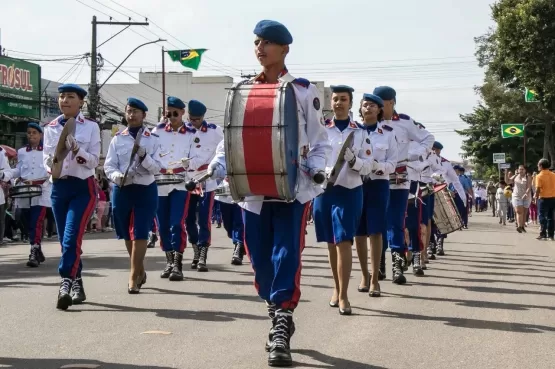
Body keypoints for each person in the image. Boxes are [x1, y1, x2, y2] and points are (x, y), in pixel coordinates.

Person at [207, 20, 331, 367]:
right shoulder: (242, 90)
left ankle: (282, 320)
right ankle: (274, 306)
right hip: (252, 190)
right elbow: (228, 139)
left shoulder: (303, 91)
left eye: (268, 43)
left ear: (285, 49)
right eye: (257, 42)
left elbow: (319, 141)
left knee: (286, 252)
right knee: (259, 257)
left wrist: (317, 169)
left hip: (293, 188)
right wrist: (216, 167)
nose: (260, 48)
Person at [43, 84, 101, 310]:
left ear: (81, 102)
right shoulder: (50, 127)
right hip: (59, 188)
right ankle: (78, 282)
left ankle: (65, 282)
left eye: (70, 97)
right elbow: (46, 160)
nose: (64, 100)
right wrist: (51, 166)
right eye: (62, 97)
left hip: (82, 188)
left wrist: (78, 151)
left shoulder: (91, 127)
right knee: (66, 241)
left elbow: (94, 161)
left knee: (71, 237)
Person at [373, 86, 434, 285]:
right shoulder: (371, 123)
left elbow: (428, 138)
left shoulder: (405, 122)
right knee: (378, 224)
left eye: (382, 102)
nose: (378, 107)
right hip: (377, 179)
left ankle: (397, 266)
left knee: (396, 223)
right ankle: (379, 267)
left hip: (400, 181)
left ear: (391, 102)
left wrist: (416, 155)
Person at [104, 98, 161, 293]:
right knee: (125, 232)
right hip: (123, 189)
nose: (132, 114)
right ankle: (140, 269)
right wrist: (116, 176)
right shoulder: (117, 138)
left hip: (145, 188)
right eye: (129, 111)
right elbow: (108, 166)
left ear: (144, 115)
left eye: (136, 111)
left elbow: (157, 168)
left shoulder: (153, 140)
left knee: (140, 231)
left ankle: (132, 277)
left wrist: (145, 156)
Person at [351, 93, 397, 298]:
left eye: (371, 105)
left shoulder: (387, 134)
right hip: (356, 184)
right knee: (359, 233)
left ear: (379, 110)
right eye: (364, 105)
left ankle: (376, 279)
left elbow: (392, 164)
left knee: (376, 232)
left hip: (378, 185)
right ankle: (364, 275)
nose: (367, 108)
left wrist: (377, 167)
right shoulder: (354, 132)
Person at [151, 96, 193, 281]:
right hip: (160, 184)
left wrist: (187, 165)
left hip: (180, 183)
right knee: (162, 225)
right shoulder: (157, 131)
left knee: (177, 222)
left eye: (175, 112)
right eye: (169, 112)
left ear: (183, 113)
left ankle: (177, 263)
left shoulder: (191, 133)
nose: (172, 116)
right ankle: (169, 260)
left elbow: (196, 157)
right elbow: (151, 154)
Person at [2, 122, 51, 267]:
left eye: (34, 133)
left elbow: (51, 170)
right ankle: (38, 248)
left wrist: (46, 183)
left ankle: (34, 251)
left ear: (41, 135)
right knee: (24, 221)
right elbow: (18, 170)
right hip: (23, 191)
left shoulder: (47, 151)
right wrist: (6, 174)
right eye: (29, 133)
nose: (31, 135)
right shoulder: (22, 151)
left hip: (41, 191)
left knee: (36, 221)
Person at [185, 99, 224, 272]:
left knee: (204, 218)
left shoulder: (215, 131)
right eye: (192, 119)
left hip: (207, 180)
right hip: (188, 180)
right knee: (188, 219)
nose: (194, 122)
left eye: (197, 119)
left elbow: (225, 150)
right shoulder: (184, 131)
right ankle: (194, 246)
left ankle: (203, 252)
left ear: (203, 117)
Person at [432, 142, 466, 255]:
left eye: (437, 150)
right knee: (429, 221)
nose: (436, 152)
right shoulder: (423, 159)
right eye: (434, 149)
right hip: (426, 192)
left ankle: (439, 243)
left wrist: (462, 197)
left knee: (442, 220)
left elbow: (455, 180)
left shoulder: (445, 163)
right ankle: (430, 244)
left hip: (441, 192)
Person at [505, 166, 531, 233]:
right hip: (517, 196)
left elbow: (528, 187)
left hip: (526, 197)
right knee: (519, 211)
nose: (521, 170)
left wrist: (526, 193)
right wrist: (506, 173)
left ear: (525, 170)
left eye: (522, 169)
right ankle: (519, 226)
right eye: (520, 169)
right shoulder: (515, 176)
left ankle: (522, 226)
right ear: (518, 170)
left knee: (524, 213)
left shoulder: (528, 177)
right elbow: (507, 181)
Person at [533, 158, 555, 240]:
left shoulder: (539, 176)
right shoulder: (553, 175)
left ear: (541, 166)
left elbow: (538, 189)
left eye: (538, 164)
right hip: (553, 198)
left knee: (542, 216)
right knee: (551, 216)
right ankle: (551, 234)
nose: (537, 166)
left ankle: (543, 233)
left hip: (543, 199)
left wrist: (535, 197)